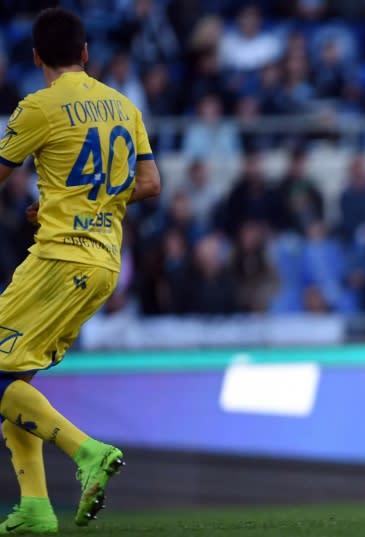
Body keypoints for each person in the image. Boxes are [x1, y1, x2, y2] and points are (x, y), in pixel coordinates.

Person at [0, 8, 161, 533]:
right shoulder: (123, 105)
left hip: (58, 258)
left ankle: (85, 450)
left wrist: (61, 205)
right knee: (14, 375)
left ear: (36, 56)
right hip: (104, 263)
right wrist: (82, 202)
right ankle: (35, 508)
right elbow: (151, 184)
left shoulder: (37, 107)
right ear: (86, 52)